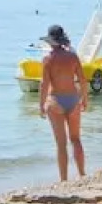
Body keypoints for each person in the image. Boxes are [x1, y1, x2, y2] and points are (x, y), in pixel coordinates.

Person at [38, 25, 88, 182]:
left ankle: (64, 180)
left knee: (61, 144)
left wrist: (41, 105)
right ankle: (82, 174)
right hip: (73, 100)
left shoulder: (48, 59)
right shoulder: (73, 57)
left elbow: (44, 84)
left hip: (56, 101)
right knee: (76, 139)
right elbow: (82, 80)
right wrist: (84, 99)